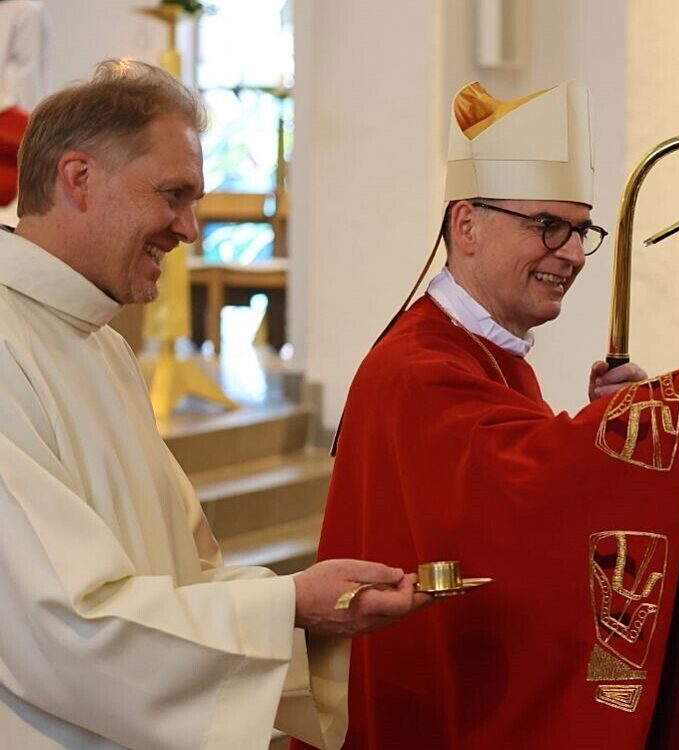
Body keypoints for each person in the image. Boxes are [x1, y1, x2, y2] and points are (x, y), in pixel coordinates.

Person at [297, 81, 679, 750]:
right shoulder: (419, 366)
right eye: (547, 225)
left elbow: (522, 489)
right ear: (467, 225)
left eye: (580, 230)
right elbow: (526, 491)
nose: (571, 252)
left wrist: (615, 427)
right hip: (428, 709)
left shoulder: (486, 352)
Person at [0, 59, 429, 750]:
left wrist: (301, 606)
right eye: (173, 195)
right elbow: (68, 626)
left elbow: (185, 572)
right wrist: (288, 605)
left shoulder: (103, 347)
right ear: (78, 179)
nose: (190, 228)